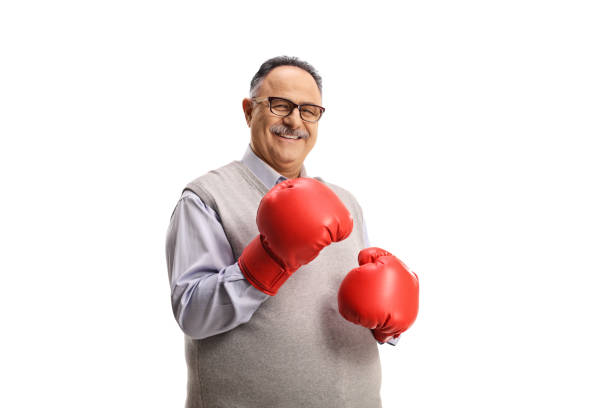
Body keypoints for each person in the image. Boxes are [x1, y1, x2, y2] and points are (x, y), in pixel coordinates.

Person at [165, 56, 419, 408]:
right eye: (280, 105)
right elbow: (193, 313)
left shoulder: (344, 201)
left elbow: (370, 308)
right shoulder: (206, 197)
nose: (294, 121)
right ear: (248, 111)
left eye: (309, 110)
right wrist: (268, 259)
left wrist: (391, 320)